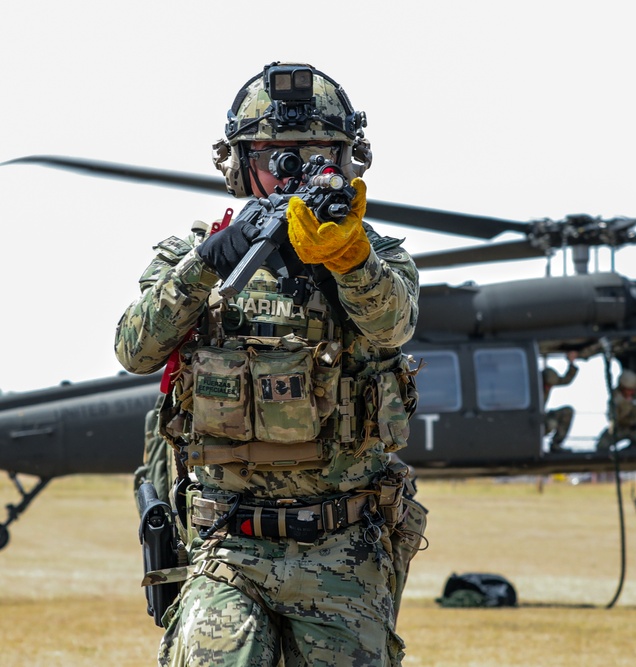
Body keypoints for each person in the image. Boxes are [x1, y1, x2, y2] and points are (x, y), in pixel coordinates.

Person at [117, 62, 423, 667]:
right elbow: (135, 349)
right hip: (228, 549)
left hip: (342, 549)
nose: (291, 171)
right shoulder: (194, 257)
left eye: (314, 155)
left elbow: (394, 326)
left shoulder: (372, 258)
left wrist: (348, 259)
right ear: (237, 165)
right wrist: (206, 262)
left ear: (346, 159)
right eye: (273, 155)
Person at [596, 353, 636, 450]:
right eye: (629, 390)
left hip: (634, 429)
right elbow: (612, 418)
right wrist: (626, 404)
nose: (632, 392)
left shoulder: (634, 388)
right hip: (619, 429)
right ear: (623, 388)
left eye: (633, 390)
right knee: (602, 446)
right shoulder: (616, 400)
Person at [541, 352, 578, 451]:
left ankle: (556, 445)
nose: (548, 388)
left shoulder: (550, 381)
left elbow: (566, 380)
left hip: (542, 419)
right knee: (550, 423)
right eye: (547, 385)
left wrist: (571, 363)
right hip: (529, 422)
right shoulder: (531, 383)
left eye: (550, 386)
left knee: (567, 412)